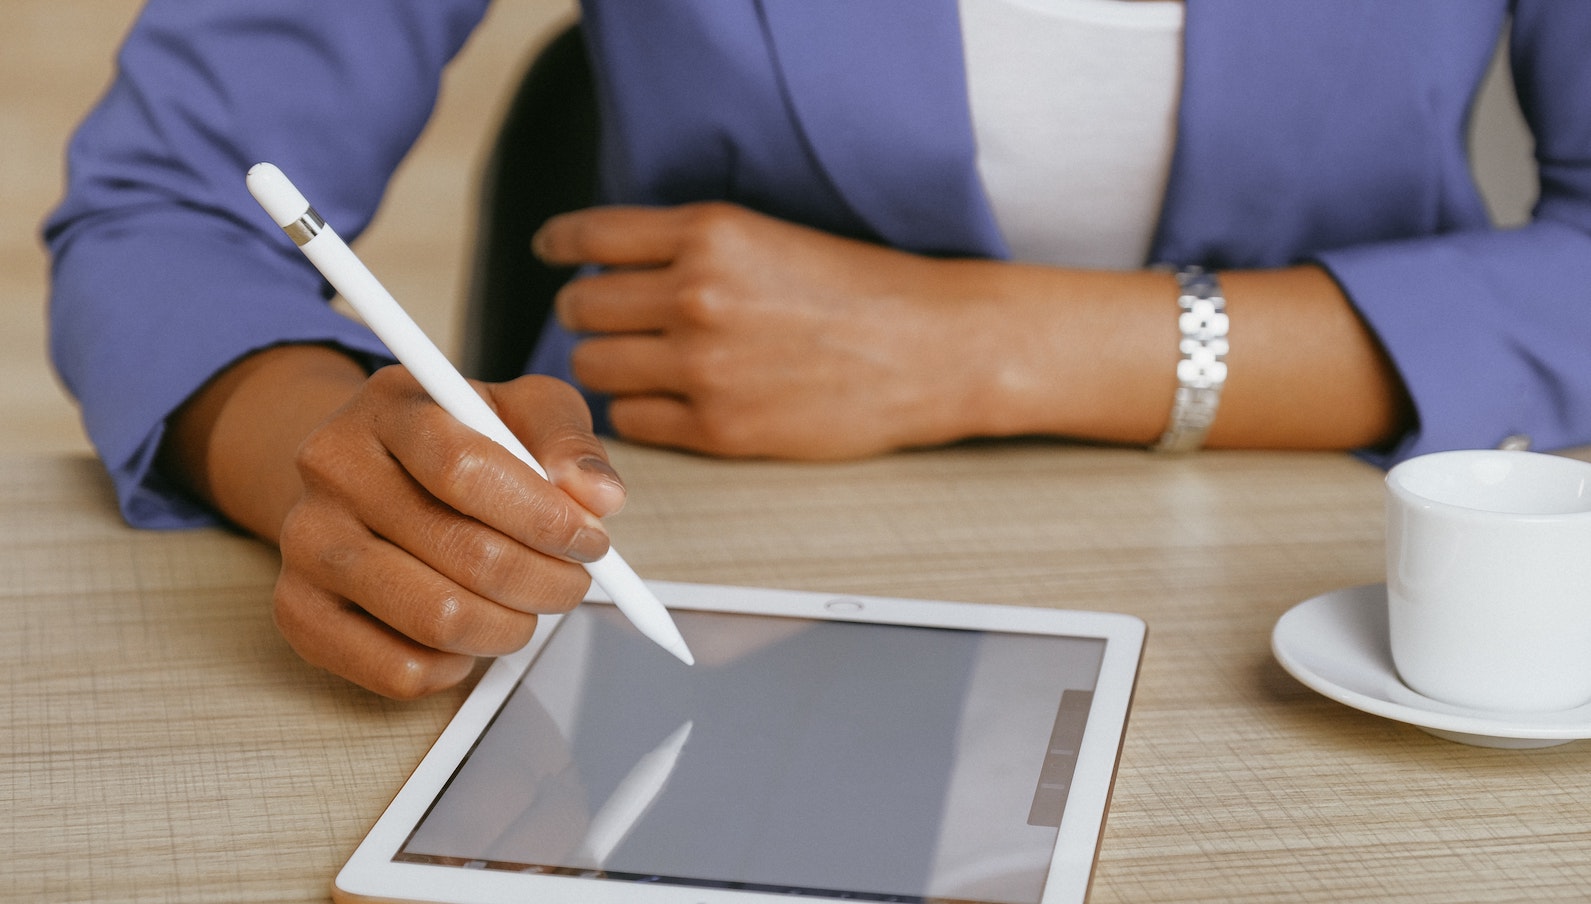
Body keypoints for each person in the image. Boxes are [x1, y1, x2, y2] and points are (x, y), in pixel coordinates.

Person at [45, 2, 1591, 697]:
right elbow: (166, 208)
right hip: (671, 577)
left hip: (1347, 593)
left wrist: (989, 346)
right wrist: (325, 456)